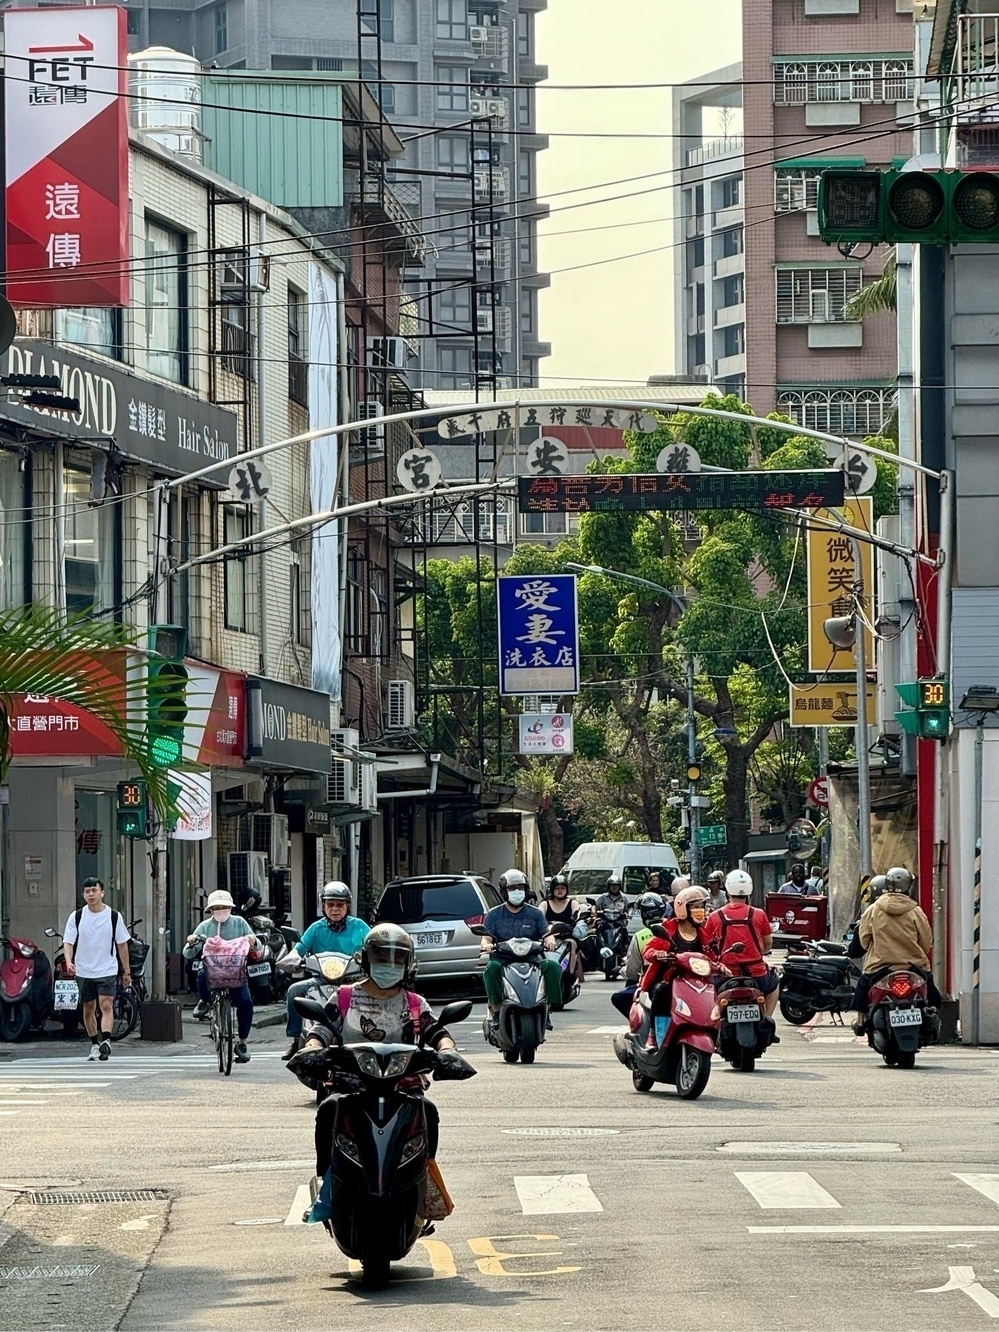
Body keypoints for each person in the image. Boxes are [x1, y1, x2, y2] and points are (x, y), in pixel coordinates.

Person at [289, 924, 464, 1178]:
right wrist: (313, 1048)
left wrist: (447, 1050)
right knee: (328, 1110)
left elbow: (437, 1033)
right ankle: (325, 1187)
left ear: (408, 963)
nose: (389, 964)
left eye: (397, 958)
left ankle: (425, 1181)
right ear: (366, 959)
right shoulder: (344, 997)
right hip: (352, 1085)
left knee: (428, 1112)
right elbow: (321, 1031)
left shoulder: (415, 1003)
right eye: (381, 957)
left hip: (402, 1086)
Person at [279, 883, 370, 1060]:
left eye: (339, 905)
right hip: (321, 980)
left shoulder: (360, 927)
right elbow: (299, 948)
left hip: (353, 981)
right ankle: (296, 1038)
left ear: (347, 906)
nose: (335, 909)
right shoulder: (316, 928)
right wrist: (292, 958)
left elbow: (373, 945)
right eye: (330, 905)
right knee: (294, 991)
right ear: (323, 906)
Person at [850, 865, 941, 1035]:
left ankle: (861, 1022)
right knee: (933, 995)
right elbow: (926, 943)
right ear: (909, 886)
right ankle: (931, 1016)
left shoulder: (873, 910)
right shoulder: (916, 911)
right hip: (914, 967)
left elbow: (863, 942)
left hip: (879, 968)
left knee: (862, 990)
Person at [479, 869, 563, 1030]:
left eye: (520, 888)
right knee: (491, 969)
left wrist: (551, 941)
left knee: (553, 967)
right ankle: (496, 1011)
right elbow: (486, 937)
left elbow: (547, 934)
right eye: (512, 889)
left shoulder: (536, 913)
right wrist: (486, 945)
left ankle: (546, 1011)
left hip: (531, 958)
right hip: (502, 959)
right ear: (504, 892)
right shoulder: (494, 914)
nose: (517, 892)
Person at [184, 890, 257, 1064]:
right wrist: (192, 941)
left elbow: (256, 942)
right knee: (202, 974)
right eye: (217, 908)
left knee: (246, 1003)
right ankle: (205, 1001)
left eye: (224, 907)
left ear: (230, 908)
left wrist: (252, 941)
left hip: (235, 972)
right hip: (211, 972)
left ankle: (242, 1043)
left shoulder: (240, 923)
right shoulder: (204, 927)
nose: (220, 911)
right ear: (211, 910)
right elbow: (187, 953)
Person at [62, 877, 131, 1062]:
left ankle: (106, 1041)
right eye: (87, 891)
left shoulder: (113, 916)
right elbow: (68, 942)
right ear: (83, 895)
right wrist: (69, 962)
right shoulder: (76, 917)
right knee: (88, 1008)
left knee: (106, 1004)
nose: (91, 894)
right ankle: (94, 1044)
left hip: (107, 968)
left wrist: (127, 971)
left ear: (102, 893)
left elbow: (122, 945)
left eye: (94, 890)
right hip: (84, 970)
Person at [703, 869, 780, 1025]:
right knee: (774, 983)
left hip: (725, 975)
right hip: (757, 976)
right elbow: (768, 943)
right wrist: (759, 952)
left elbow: (707, 945)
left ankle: (713, 1023)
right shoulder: (759, 914)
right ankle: (767, 1019)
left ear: (727, 891)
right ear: (749, 891)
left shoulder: (714, 916)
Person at [611, 892, 665, 1018]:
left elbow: (631, 972)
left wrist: (620, 970)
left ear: (644, 913)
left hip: (650, 985)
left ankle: (640, 1026)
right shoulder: (674, 928)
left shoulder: (640, 936)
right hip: (676, 983)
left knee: (618, 997)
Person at [541, 874, 584, 985]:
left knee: (572, 944)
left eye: (562, 888)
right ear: (552, 890)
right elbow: (538, 917)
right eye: (557, 888)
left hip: (568, 935)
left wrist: (578, 919)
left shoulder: (572, 903)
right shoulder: (545, 904)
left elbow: (578, 915)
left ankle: (569, 974)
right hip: (548, 936)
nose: (560, 891)